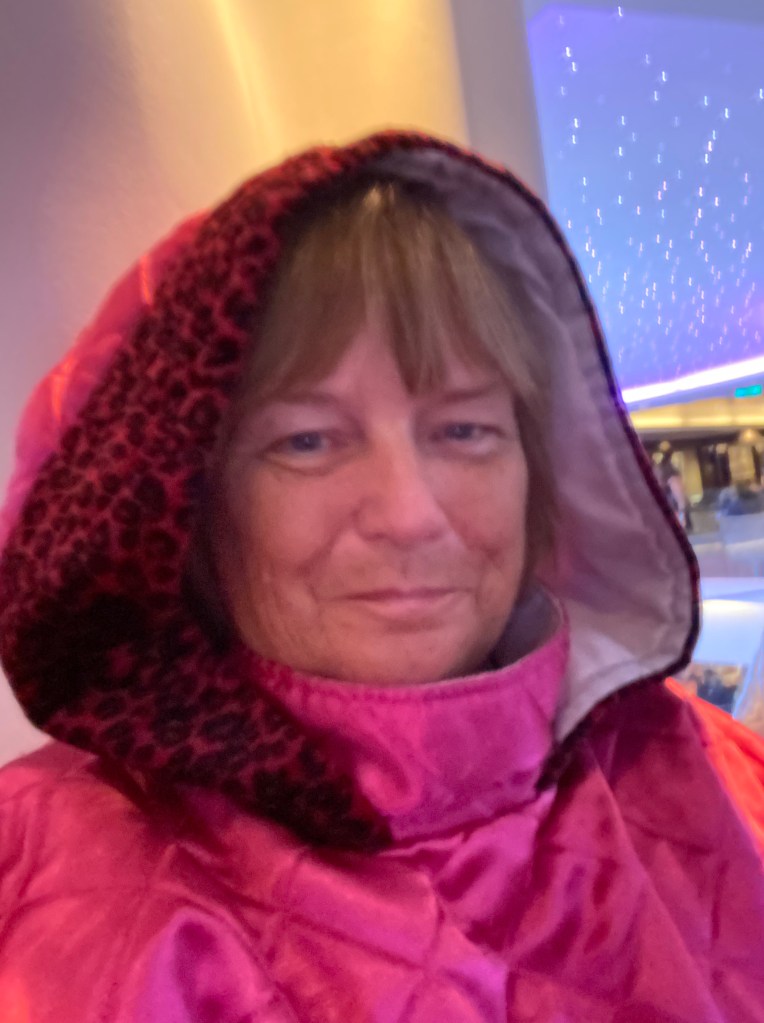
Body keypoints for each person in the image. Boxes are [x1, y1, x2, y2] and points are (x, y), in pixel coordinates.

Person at [0, 131, 763, 1022]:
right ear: (192, 504)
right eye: (307, 441)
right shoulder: (37, 873)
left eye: (464, 430)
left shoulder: (716, 775)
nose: (408, 512)